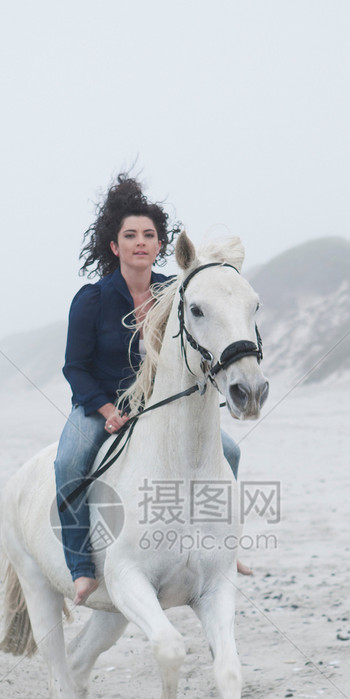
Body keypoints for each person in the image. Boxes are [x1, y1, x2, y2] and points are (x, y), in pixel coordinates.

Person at [55, 174, 244, 607]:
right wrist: (105, 410)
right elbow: (75, 368)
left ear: (161, 246)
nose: (141, 242)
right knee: (68, 462)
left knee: (230, 452)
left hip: (160, 406)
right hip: (101, 405)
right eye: (130, 236)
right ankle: (81, 566)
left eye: (149, 235)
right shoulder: (91, 300)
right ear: (114, 246)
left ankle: (223, 550)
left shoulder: (174, 293)